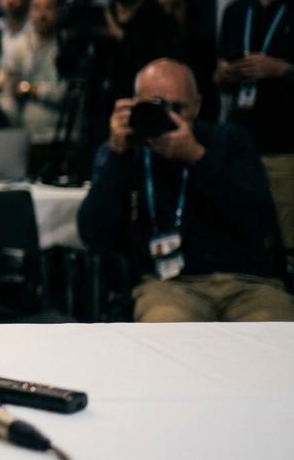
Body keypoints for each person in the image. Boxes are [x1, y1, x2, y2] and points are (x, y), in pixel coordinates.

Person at [77, 59, 294, 322]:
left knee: (275, 335)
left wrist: (197, 157)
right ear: (134, 106)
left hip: (248, 281)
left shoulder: (229, 140)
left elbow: (260, 222)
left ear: (197, 106)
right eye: (156, 107)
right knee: (168, 328)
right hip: (169, 285)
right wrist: (116, 154)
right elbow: (92, 233)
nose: (169, 118)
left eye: (177, 108)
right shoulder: (127, 152)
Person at [216, 0, 294, 258]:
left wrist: (282, 70)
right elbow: (217, 78)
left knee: (288, 244)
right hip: (239, 147)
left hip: (287, 150)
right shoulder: (236, 11)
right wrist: (225, 75)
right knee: (241, 242)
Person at [0, 0, 66, 144]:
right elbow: (7, 84)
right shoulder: (18, 45)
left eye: (48, 7)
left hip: (61, 135)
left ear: (58, 11)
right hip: (26, 136)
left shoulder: (68, 47)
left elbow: (65, 94)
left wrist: (31, 89)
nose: (42, 14)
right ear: (29, 11)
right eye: (37, 7)